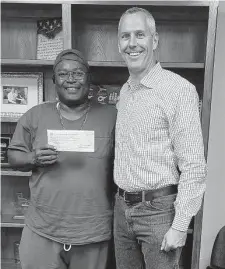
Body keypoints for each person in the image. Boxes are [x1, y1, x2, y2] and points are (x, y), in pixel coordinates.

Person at [113, 7, 207, 269]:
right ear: (118, 43)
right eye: (125, 36)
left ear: (154, 40)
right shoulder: (126, 90)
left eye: (140, 35)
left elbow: (195, 166)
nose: (132, 43)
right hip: (122, 209)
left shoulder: (179, 90)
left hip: (159, 212)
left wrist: (179, 226)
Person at [8, 49, 117, 269]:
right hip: (42, 229)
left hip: (93, 232)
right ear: (54, 80)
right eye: (63, 74)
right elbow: (12, 156)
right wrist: (33, 157)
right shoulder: (35, 115)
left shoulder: (112, 116)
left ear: (89, 78)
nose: (71, 80)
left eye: (77, 73)